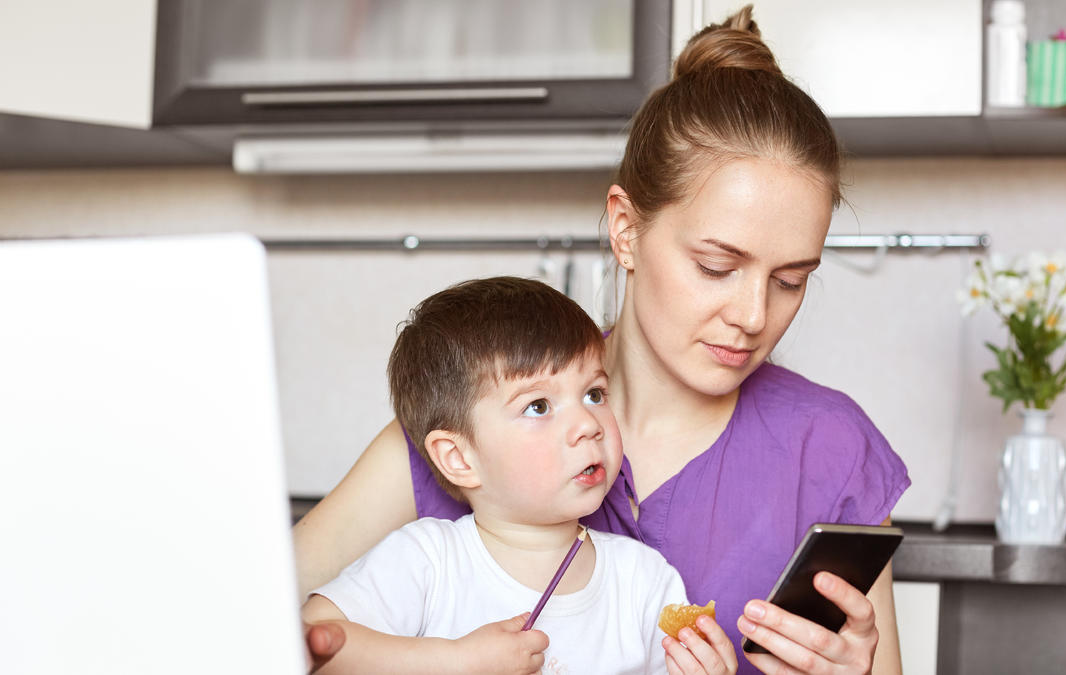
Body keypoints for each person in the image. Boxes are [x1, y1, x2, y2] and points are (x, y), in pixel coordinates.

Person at [295, 6, 910, 674]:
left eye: (791, 280)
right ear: (626, 229)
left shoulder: (831, 448)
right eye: (716, 267)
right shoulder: (468, 411)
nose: (754, 315)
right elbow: (242, 624)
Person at [302, 277, 739, 675]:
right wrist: (454, 662)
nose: (588, 423)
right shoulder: (427, 562)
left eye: (594, 393)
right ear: (458, 457)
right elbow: (312, 645)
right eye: (539, 406)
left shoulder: (644, 582)